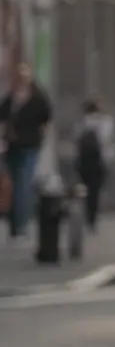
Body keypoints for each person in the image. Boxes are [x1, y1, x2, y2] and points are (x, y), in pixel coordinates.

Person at [0, 61, 53, 244]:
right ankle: (15, 226)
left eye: (24, 77)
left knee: (24, 183)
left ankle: (22, 225)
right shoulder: (11, 99)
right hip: (12, 146)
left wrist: (41, 138)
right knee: (13, 185)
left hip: (30, 146)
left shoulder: (37, 99)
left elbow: (46, 118)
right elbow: (2, 116)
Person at [75, 100, 115, 232]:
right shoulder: (106, 122)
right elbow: (106, 140)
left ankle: (85, 217)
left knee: (85, 190)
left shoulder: (81, 123)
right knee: (95, 192)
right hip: (99, 161)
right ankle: (92, 219)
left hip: (84, 161)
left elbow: (76, 140)